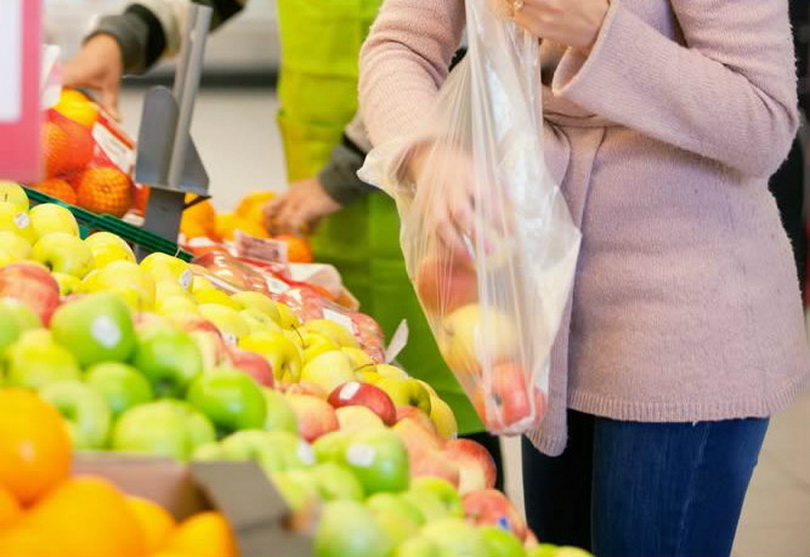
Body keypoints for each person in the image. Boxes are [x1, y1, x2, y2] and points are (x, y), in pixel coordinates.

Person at [359, 0, 809, 556]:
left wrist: (600, 34)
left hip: (688, 324)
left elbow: (764, 123)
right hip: (541, 314)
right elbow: (401, 43)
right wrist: (427, 149)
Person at [62, 0, 503, 484]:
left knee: (452, 409)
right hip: (323, 192)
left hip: (443, 186)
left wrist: (341, 176)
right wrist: (125, 36)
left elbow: (460, 44)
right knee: (335, 381)